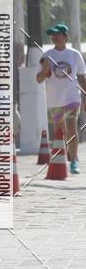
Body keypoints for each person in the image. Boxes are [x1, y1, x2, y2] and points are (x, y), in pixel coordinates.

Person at [36, 23, 86, 173]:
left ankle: (74, 160)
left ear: (65, 37)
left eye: (57, 34)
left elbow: (81, 78)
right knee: (60, 130)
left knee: (71, 126)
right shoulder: (46, 55)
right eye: (52, 34)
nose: (54, 37)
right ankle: (64, 158)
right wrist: (45, 70)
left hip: (72, 98)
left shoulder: (75, 54)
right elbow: (39, 79)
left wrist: (85, 96)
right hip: (55, 100)